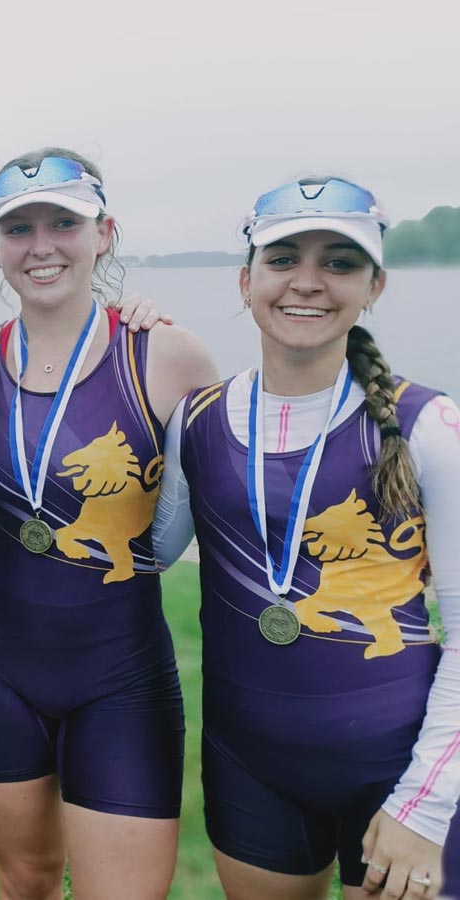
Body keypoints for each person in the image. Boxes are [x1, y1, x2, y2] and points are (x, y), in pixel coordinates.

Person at [153, 177, 460, 900]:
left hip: (397, 771)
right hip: (249, 768)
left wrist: (426, 804)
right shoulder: (195, 420)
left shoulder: (429, 426)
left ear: (375, 285)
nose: (309, 283)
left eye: (341, 263)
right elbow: (151, 550)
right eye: (284, 258)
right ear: (245, 279)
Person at [0, 147, 218, 899]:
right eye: (18, 227)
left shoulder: (168, 356)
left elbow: (221, 513)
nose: (42, 245)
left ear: (104, 232)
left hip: (118, 675)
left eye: (63, 222)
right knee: (24, 880)